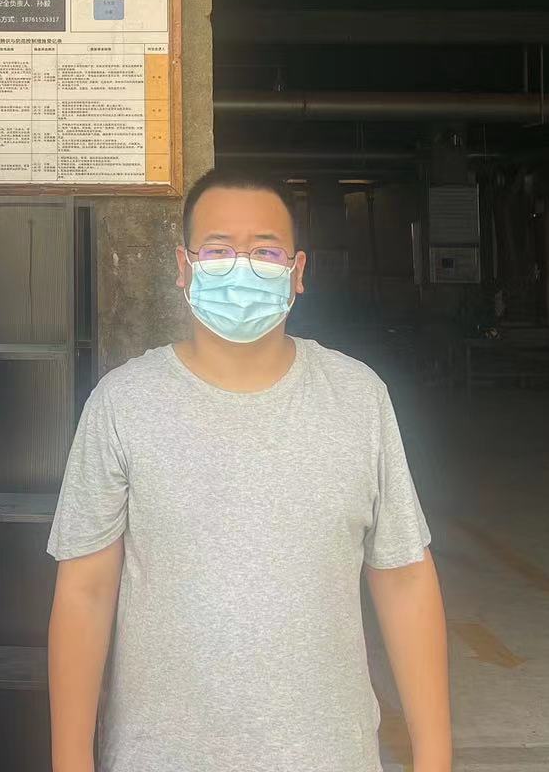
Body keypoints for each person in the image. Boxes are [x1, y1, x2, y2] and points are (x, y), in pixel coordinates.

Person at [47, 167, 451, 772]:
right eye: (217, 251)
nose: (242, 269)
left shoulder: (357, 398)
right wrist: (70, 760)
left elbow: (404, 579)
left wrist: (435, 756)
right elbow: (86, 591)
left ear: (298, 272)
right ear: (184, 268)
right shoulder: (123, 404)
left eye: (265, 251)